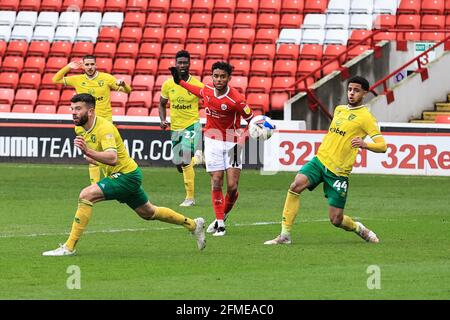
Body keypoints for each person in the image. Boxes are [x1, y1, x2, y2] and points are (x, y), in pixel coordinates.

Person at [42, 94, 206, 256]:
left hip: (126, 175)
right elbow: (98, 156)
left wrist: (88, 152)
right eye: (72, 108)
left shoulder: (104, 128)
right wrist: (91, 155)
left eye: (78, 109)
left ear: (90, 111)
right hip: (125, 175)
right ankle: (193, 225)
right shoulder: (79, 128)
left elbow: (112, 158)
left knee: (86, 195)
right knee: (148, 212)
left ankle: (68, 247)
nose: (73, 112)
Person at [264, 76, 387, 245]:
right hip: (320, 160)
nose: (351, 93)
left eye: (356, 90)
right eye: (349, 89)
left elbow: (383, 146)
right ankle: (284, 235)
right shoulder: (339, 110)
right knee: (295, 186)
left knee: (336, 219)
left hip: (338, 172)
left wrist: (365, 144)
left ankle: (358, 228)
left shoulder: (366, 118)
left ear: (365, 93)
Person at [169, 61, 254, 237]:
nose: (219, 79)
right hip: (213, 140)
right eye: (216, 76)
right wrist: (180, 82)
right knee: (216, 181)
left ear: (229, 78)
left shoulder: (236, 99)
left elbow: (252, 121)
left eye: (223, 76)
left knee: (232, 186)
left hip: (233, 141)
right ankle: (220, 224)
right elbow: (196, 91)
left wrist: (242, 139)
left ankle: (222, 216)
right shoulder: (207, 90)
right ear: (212, 77)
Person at [52, 55, 132, 185]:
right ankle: (95, 186)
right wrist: (68, 67)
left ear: (96, 65)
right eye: (87, 65)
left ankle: (113, 179)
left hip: (104, 123)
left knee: (107, 155)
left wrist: (124, 84)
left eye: (92, 64)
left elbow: (128, 91)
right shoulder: (78, 79)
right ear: (83, 66)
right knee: (91, 156)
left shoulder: (106, 78)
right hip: (85, 124)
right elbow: (55, 80)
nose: (90, 67)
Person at [159, 50, 205, 207]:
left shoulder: (197, 85)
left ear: (190, 63)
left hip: (192, 125)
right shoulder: (167, 84)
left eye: (185, 62)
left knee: (185, 158)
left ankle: (190, 198)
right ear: (176, 63)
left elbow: (209, 100)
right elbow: (161, 104)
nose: (183, 65)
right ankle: (199, 158)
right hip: (175, 128)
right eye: (180, 62)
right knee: (179, 165)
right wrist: (163, 119)